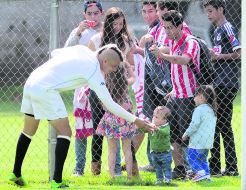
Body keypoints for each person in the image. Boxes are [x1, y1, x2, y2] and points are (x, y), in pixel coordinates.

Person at [8, 44, 154, 188]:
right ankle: (57, 182)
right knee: (65, 133)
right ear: (104, 61)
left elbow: (55, 53)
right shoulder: (94, 72)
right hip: (46, 89)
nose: (114, 71)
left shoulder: (83, 50)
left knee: (28, 131)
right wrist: (136, 120)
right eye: (113, 67)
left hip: (32, 82)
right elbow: (110, 104)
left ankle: (15, 174)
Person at [150, 10, 201, 179]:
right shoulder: (173, 42)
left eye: (170, 28)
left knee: (188, 135)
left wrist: (162, 55)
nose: (167, 32)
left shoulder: (190, 42)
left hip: (188, 96)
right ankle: (179, 169)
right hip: (176, 95)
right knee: (172, 134)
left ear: (180, 26)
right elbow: (176, 70)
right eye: (164, 28)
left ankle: (194, 169)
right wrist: (173, 90)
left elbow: (185, 60)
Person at [87, 7, 137, 176]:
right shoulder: (96, 40)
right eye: (114, 23)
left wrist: (125, 83)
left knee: (126, 128)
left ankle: (132, 170)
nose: (118, 27)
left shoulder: (125, 41)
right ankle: (96, 169)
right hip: (98, 90)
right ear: (107, 23)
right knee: (99, 129)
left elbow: (131, 65)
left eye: (121, 24)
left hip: (119, 92)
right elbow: (89, 64)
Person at [64, 0, 104, 177]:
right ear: (84, 15)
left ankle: (105, 167)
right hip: (82, 84)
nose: (93, 17)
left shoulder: (107, 30)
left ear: (101, 13)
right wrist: (79, 32)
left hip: (103, 84)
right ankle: (78, 168)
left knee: (102, 125)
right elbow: (66, 51)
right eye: (89, 14)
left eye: (96, 13)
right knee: (81, 128)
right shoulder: (79, 32)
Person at [203, 0, 241, 177]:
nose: (208, 14)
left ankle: (221, 166)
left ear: (220, 9)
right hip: (220, 82)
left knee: (219, 124)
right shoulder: (217, 30)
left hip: (227, 83)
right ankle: (226, 166)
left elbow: (239, 52)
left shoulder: (227, 27)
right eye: (207, 11)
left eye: (211, 11)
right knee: (222, 124)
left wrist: (218, 56)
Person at [96, 63, 138, 180]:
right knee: (127, 149)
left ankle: (112, 177)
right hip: (125, 118)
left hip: (111, 119)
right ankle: (129, 177)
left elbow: (104, 105)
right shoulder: (125, 83)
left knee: (112, 150)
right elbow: (134, 78)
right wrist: (129, 67)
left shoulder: (106, 86)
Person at [182, 85, 217, 182]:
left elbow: (194, 124)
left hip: (197, 142)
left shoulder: (199, 110)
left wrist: (186, 134)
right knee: (203, 160)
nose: (193, 99)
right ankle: (207, 176)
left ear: (201, 96)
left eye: (194, 96)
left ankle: (200, 173)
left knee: (191, 158)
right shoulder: (211, 110)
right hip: (207, 142)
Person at [149, 106, 172, 185]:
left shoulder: (166, 127)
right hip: (154, 152)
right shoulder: (152, 126)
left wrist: (157, 129)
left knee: (166, 167)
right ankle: (159, 179)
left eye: (157, 117)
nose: (154, 118)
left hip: (165, 152)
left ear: (164, 120)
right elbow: (144, 130)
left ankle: (168, 179)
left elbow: (165, 133)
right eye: (153, 116)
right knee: (157, 167)